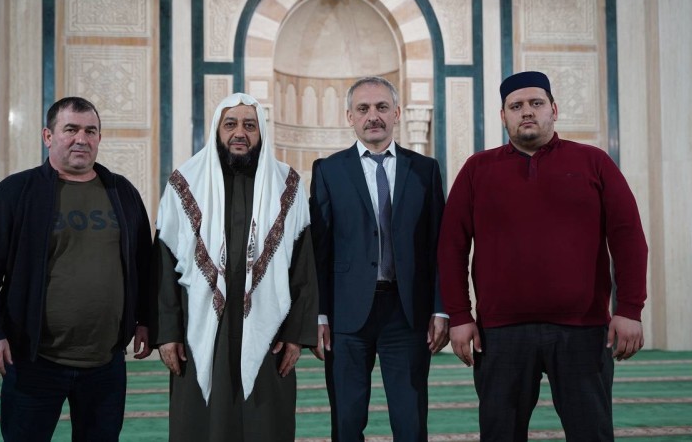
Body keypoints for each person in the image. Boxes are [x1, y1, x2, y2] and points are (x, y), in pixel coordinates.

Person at [438, 71, 648, 441]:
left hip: (582, 329)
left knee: (591, 433)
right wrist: (459, 315)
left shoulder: (593, 162)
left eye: (536, 103)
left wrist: (630, 308)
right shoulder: (477, 169)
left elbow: (628, 237)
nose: (527, 112)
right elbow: (451, 247)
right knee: (500, 433)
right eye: (516, 106)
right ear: (503, 116)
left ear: (554, 109)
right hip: (500, 333)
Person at [0, 96, 153, 441]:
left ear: (99, 138)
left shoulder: (121, 191)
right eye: (71, 129)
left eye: (90, 131)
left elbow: (144, 263)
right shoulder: (16, 192)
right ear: (48, 136)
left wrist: (145, 319)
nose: (82, 138)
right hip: (34, 360)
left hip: (105, 363)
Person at [152, 93, 318, 441]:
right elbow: (164, 265)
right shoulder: (185, 183)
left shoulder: (287, 185)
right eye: (230, 124)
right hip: (198, 330)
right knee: (202, 424)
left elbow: (303, 267)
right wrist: (167, 333)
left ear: (262, 132)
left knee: (264, 424)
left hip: (269, 332)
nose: (239, 133)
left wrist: (295, 336)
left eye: (249, 125)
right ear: (217, 129)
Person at [309, 76, 448, 441]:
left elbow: (439, 245)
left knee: (410, 423)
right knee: (347, 421)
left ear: (397, 113)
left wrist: (441, 308)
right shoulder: (328, 170)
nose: (373, 116)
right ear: (350, 117)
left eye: (382, 107)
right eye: (363, 108)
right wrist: (319, 314)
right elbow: (319, 249)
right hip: (346, 315)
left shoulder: (425, 169)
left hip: (407, 313)